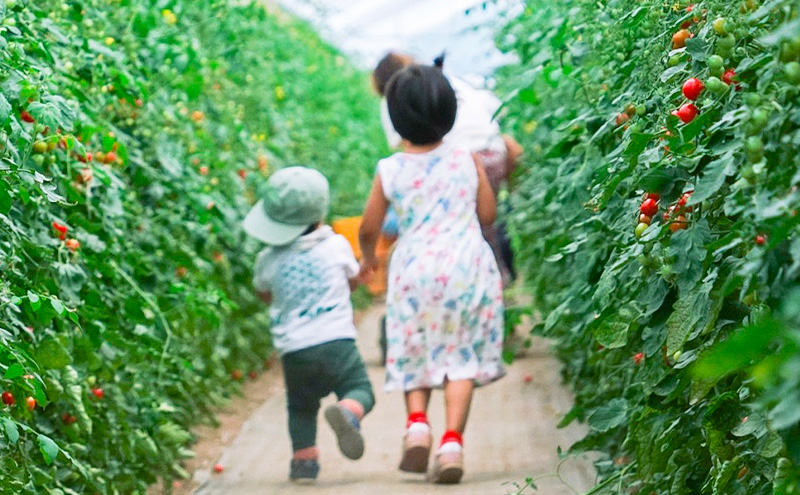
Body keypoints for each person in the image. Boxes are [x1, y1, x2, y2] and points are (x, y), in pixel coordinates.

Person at [359, 64, 506, 484]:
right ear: (450, 112)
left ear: (395, 117)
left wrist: (369, 258)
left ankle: (418, 425)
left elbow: (369, 227)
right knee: (460, 359)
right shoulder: (466, 159)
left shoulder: (391, 169)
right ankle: (451, 444)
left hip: (414, 271)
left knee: (415, 350)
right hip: (465, 266)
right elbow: (488, 215)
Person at [243, 167, 375, 484]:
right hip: (336, 341)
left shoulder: (267, 260)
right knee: (360, 389)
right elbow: (350, 281)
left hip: (295, 350)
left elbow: (265, 293)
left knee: (301, 407)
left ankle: (304, 463)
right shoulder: (337, 246)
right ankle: (348, 411)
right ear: (319, 215)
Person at [372, 52, 523, 287]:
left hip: (458, 157)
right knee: (480, 225)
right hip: (493, 151)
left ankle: (476, 278)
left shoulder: (395, 98)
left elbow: (407, 147)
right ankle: (494, 277)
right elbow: (496, 109)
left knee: (454, 220)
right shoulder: (442, 80)